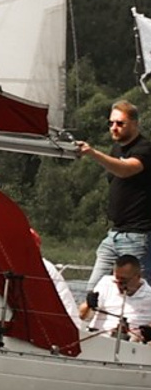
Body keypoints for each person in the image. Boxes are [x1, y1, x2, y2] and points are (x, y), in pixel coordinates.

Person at [75, 96, 151, 287]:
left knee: (141, 294)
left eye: (120, 123)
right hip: (114, 233)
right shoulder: (117, 148)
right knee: (94, 290)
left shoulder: (145, 148)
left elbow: (125, 170)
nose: (114, 127)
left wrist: (93, 153)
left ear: (134, 123)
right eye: (111, 123)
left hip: (138, 237)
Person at [81, 250, 151, 339]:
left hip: (131, 345)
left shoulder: (149, 296)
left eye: (124, 281)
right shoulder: (106, 282)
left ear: (138, 276)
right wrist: (88, 305)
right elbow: (81, 316)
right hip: (97, 338)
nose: (119, 285)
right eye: (116, 280)